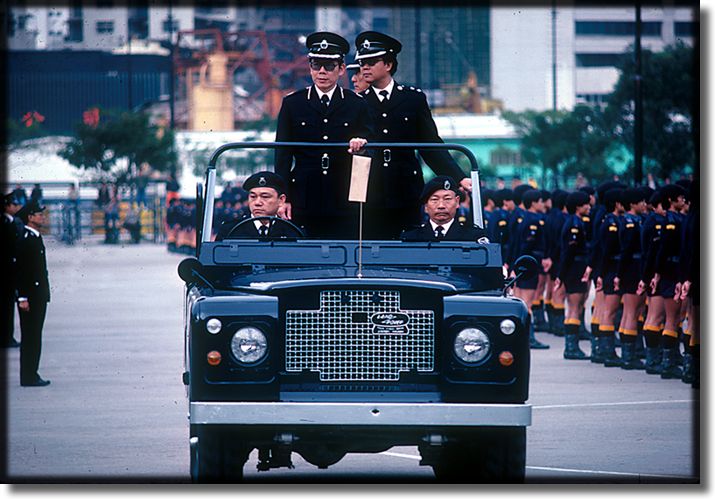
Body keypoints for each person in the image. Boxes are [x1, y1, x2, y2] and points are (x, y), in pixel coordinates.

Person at [354, 31, 471, 239]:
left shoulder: (413, 100)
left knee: (408, 245)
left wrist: (459, 177)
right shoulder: (356, 103)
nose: (365, 67)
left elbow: (431, 145)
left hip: (405, 188)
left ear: (388, 65)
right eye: (362, 62)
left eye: (371, 62)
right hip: (369, 189)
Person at [274, 31, 372, 239]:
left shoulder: (356, 103)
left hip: (345, 193)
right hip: (304, 194)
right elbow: (282, 156)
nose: (322, 72)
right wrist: (284, 199)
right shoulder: (293, 104)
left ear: (341, 68)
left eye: (329, 66)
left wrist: (362, 144)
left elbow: (370, 145)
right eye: (316, 65)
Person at [14, 200, 51, 386]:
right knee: (30, 336)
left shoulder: (35, 237)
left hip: (38, 295)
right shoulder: (26, 239)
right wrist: (22, 297)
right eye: (39, 214)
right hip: (30, 297)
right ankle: (28, 375)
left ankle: (31, 373)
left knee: (35, 335)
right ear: (30, 217)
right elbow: (20, 271)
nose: (42, 217)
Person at [554, 191, 591, 360]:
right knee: (574, 308)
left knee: (575, 308)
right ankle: (571, 347)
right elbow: (568, 252)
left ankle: (572, 346)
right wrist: (560, 276)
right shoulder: (574, 224)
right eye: (586, 204)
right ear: (577, 206)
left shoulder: (574, 221)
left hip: (574, 269)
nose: (589, 207)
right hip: (575, 269)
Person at [511, 189, 551, 350]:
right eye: (541, 201)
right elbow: (529, 246)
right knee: (527, 304)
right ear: (534, 203)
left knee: (520, 302)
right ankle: (528, 338)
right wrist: (542, 260)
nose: (542, 204)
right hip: (529, 267)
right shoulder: (533, 220)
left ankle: (520, 337)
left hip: (521, 266)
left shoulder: (523, 218)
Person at [400, 176, 488, 243]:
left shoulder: (473, 237)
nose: (441, 205)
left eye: (447, 199)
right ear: (426, 206)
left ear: (457, 202)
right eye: (434, 200)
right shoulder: (410, 238)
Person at [216, 172, 302, 240]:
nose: (257, 203)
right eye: (253, 197)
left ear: (281, 200)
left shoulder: (293, 232)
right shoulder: (231, 230)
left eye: (265, 197)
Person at [1, 194, 24, 348]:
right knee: (6, 306)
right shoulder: (5, 223)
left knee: (8, 306)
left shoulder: (13, 222)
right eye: (13, 204)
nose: (16, 207)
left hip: (10, 271)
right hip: (6, 271)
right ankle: (6, 337)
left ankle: (7, 336)